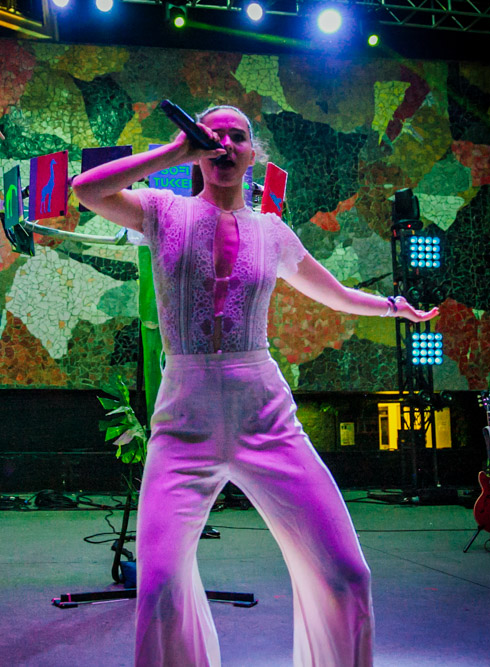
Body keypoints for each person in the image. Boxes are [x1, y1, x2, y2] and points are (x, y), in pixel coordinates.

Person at [72, 105, 438, 666]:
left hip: (264, 411)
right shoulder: (163, 212)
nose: (222, 143)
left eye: (235, 136)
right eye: (210, 134)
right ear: (195, 145)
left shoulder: (273, 231)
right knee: (161, 586)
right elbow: (86, 189)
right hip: (184, 417)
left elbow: (335, 292)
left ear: (253, 152)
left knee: (346, 573)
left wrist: (392, 306)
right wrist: (175, 153)